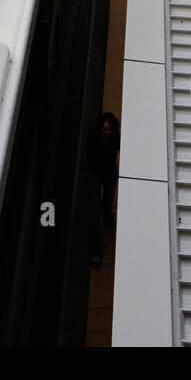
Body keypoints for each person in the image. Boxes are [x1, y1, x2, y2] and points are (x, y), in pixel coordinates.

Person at [86, 112, 121, 266]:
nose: (107, 132)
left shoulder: (116, 137)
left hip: (108, 172)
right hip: (95, 171)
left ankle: (107, 214)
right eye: (104, 129)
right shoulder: (93, 135)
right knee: (93, 210)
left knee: (108, 198)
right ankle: (96, 250)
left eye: (109, 129)